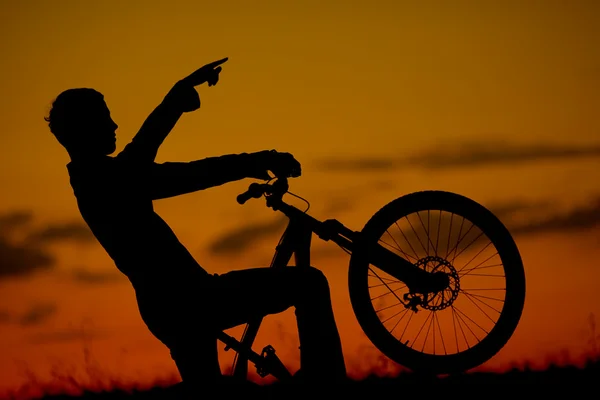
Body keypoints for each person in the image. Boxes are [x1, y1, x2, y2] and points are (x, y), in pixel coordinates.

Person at [44, 58, 347, 389]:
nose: (115, 125)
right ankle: (326, 382)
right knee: (309, 284)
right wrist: (253, 159)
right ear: (85, 128)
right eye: (105, 118)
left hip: (170, 305)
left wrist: (175, 100)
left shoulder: (100, 178)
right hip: (192, 300)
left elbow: (144, 155)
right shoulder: (104, 181)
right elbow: (181, 169)